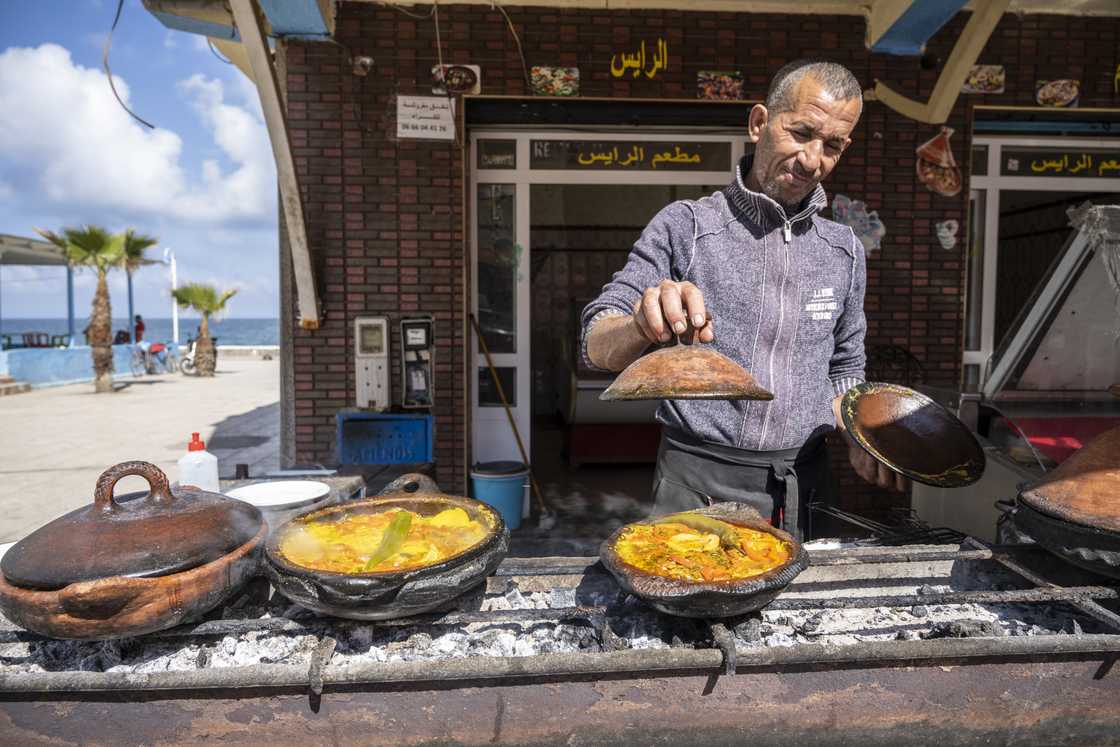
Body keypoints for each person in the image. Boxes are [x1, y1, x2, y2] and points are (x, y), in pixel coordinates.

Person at [580, 59, 908, 541]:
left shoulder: (844, 251)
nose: (813, 160)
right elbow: (595, 343)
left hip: (803, 482)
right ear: (759, 123)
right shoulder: (687, 227)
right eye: (801, 132)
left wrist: (861, 433)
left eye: (832, 145)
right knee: (686, 602)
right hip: (697, 479)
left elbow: (844, 367)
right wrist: (640, 324)